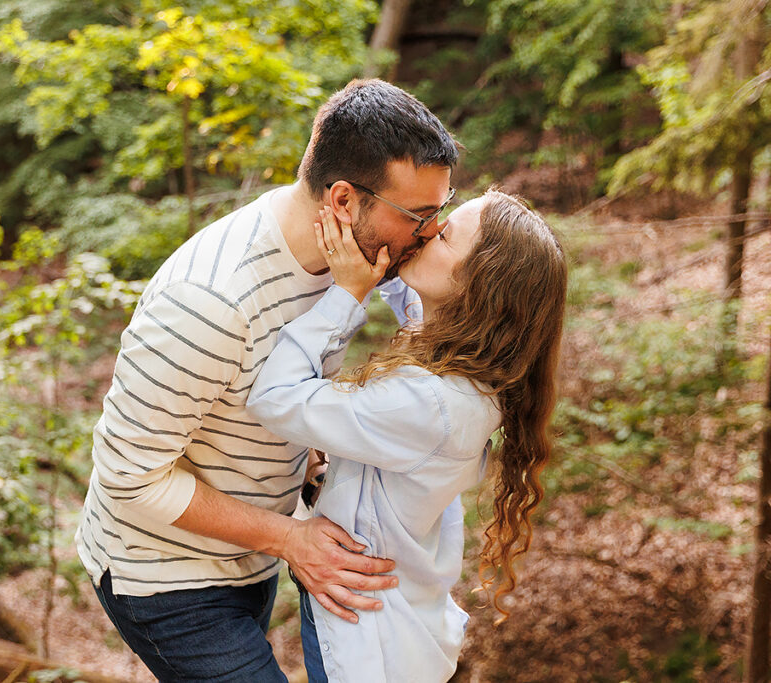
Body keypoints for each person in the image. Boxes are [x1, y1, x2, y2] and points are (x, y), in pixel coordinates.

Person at [74, 78, 460, 681]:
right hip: (164, 576)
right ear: (341, 201)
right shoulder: (210, 301)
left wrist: (308, 464)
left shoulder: (351, 261)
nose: (432, 231)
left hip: (250, 558)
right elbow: (128, 479)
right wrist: (289, 539)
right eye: (421, 215)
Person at [246, 190, 567, 682]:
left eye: (446, 234)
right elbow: (415, 305)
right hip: (388, 620)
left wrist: (346, 295)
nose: (428, 231)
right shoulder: (469, 377)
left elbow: (275, 398)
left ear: (479, 285)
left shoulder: (433, 404)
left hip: (367, 642)